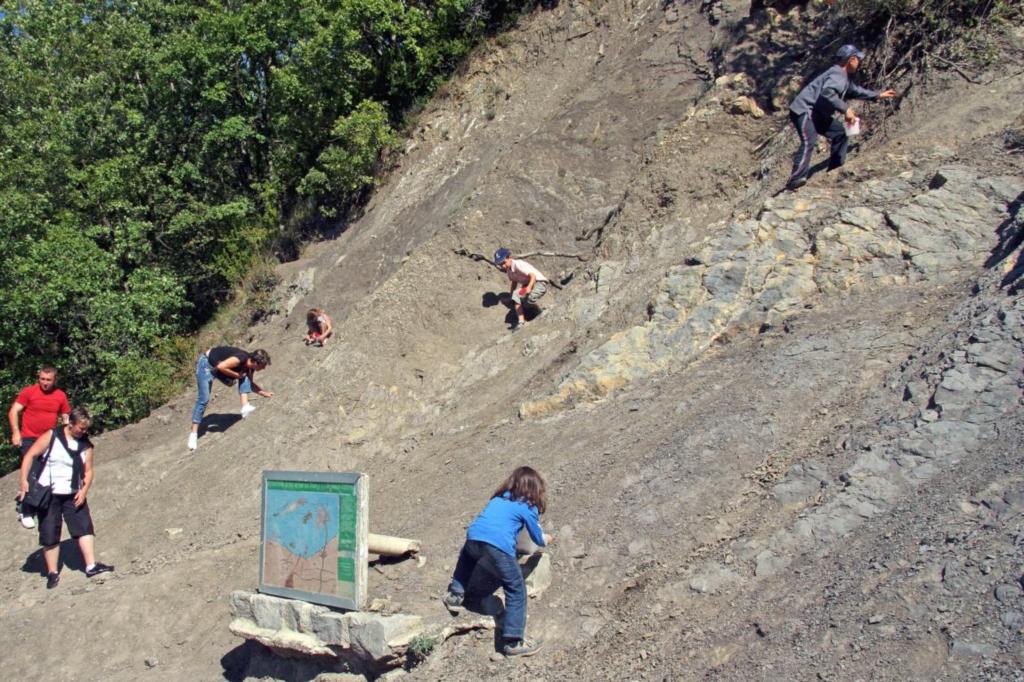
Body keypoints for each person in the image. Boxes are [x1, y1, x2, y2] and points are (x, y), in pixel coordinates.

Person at [442, 466, 553, 657]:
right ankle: (513, 641)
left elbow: (493, 524)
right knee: (516, 587)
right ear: (535, 488)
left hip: (474, 537)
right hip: (498, 545)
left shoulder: (499, 498)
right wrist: (548, 539)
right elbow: (536, 538)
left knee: (467, 558)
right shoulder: (527, 506)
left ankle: (455, 595)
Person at [18, 406, 114, 589]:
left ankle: (91, 565)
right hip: (49, 492)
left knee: (84, 526)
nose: (84, 432)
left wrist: (84, 490)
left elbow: (88, 470)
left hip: (73, 492)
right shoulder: (52, 436)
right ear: (70, 424)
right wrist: (24, 480)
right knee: (49, 531)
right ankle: (53, 572)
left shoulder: (86, 445)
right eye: (81, 428)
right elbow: (30, 455)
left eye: (86, 429)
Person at [786, 44, 897, 190]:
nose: (859, 63)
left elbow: (856, 91)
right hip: (804, 110)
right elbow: (827, 93)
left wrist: (878, 95)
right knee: (809, 139)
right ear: (851, 59)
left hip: (817, 113)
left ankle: (835, 169)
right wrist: (846, 110)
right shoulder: (837, 74)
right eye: (858, 59)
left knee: (840, 133)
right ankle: (796, 178)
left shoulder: (843, 77)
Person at [8, 366, 71, 529]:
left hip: (49, 439)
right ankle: (26, 510)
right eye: (42, 379)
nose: (44, 382)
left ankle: (44, 505)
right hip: (29, 438)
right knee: (32, 471)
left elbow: (65, 415)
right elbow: (14, 410)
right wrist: (15, 432)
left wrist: (66, 432)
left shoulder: (60, 395)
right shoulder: (29, 392)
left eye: (48, 380)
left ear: (54, 380)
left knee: (47, 472)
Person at [188, 347, 273, 451]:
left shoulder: (250, 367)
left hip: (219, 367)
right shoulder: (241, 358)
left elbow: (250, 384)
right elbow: (221, 366)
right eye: (263, 366)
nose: (263, 368)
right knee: (204, 399)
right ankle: (193, 434)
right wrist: (237, 375)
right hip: (207, 364)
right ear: (256, 362)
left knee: (245, 376)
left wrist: (265, 393)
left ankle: (245, 406)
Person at [494, 248, 550, 332]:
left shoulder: (518, 264)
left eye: (504, 263)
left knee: (529, 299)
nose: (503, 266)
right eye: (500, 264)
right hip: (528, 285)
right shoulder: (509, 271)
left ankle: (540, 311)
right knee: (516, 296)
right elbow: (514, 282)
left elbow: (533, 276)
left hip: (539, 283)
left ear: (509, 257)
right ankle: (521, 322)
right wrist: (511, 296)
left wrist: (529, 287)